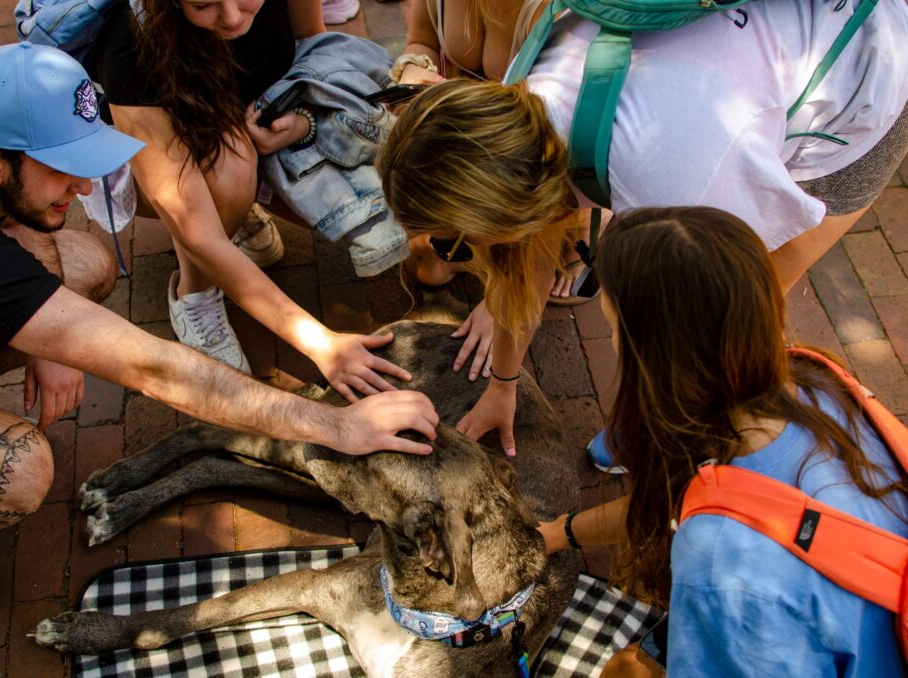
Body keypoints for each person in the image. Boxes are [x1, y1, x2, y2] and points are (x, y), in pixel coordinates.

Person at [0, 43, 438, 615]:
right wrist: (335, 425)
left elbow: (14, 228)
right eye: (61, 169)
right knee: (17, 469)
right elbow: (150, 366)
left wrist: (40, 342)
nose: (81, 188)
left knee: (84, 264)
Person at [376, 0, 908, 455]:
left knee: (755, 296)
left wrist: (668, 398)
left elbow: (722, 300)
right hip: (742, 74)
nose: (452, 254)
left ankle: (677, 428)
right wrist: (503, 385)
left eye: (451, 241)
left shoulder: (681, 185)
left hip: (865, 63)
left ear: (497, 213)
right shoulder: (515, 111)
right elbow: (524, 262)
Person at [538, 207, 908, 676]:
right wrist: (559, 533)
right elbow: (670, 500)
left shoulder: (721, 561)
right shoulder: (813, 382)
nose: (612, 344)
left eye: (614, 330)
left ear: (656, 363)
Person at [83, 0, 409, 401]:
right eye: (204, 4)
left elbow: (315, 50)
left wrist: (305, 120)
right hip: (163, 155)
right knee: (228, 174)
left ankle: (238, 211)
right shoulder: (132, 50)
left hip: (251, 116)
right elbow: (196, 229)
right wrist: (319, 342)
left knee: (388, 206)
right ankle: (194, 293)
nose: (234, 17)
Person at [392, 0, 589, 304]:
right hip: (468, 143)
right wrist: (413, 70)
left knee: (518, 280)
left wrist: (503, 301)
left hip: (545, 150)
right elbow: (422, 41)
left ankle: (585, 225)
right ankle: (477, 238)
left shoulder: (556, 9)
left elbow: (551, 137)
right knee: (428, 268)